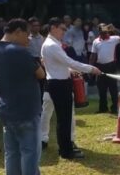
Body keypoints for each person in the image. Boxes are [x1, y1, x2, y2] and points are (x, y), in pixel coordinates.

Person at [0, 18, 57, 175]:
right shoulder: (19, 51)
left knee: (12, 152)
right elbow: (41, 74)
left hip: (6, 109)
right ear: (17, 31)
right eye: (26, 35)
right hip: (26, 109)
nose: (29, 39)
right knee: (30, 153)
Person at [41, 17, 101, 160]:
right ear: (53, 28)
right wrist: (90, 69)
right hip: (59, 85)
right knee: (64, 119)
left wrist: (69, 71)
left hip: (58, 82)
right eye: (62, 29)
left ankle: (66, 148)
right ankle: (66, 151)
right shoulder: (52, 45)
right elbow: (70, 61)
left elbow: (59, 64)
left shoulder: (52, 44)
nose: (64, 32)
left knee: (64, 119)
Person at [90, 23, 120, 113]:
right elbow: (93, 56)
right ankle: (103, 108)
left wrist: (115, 29)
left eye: (106, 31)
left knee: (113, 89)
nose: (105, 33)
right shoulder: (96, 41)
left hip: (111, 66)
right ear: (99, 31)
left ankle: (114, 108)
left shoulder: (114, 39)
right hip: (100, 67)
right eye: (102, 31)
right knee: (101, 89)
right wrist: (90, 68)